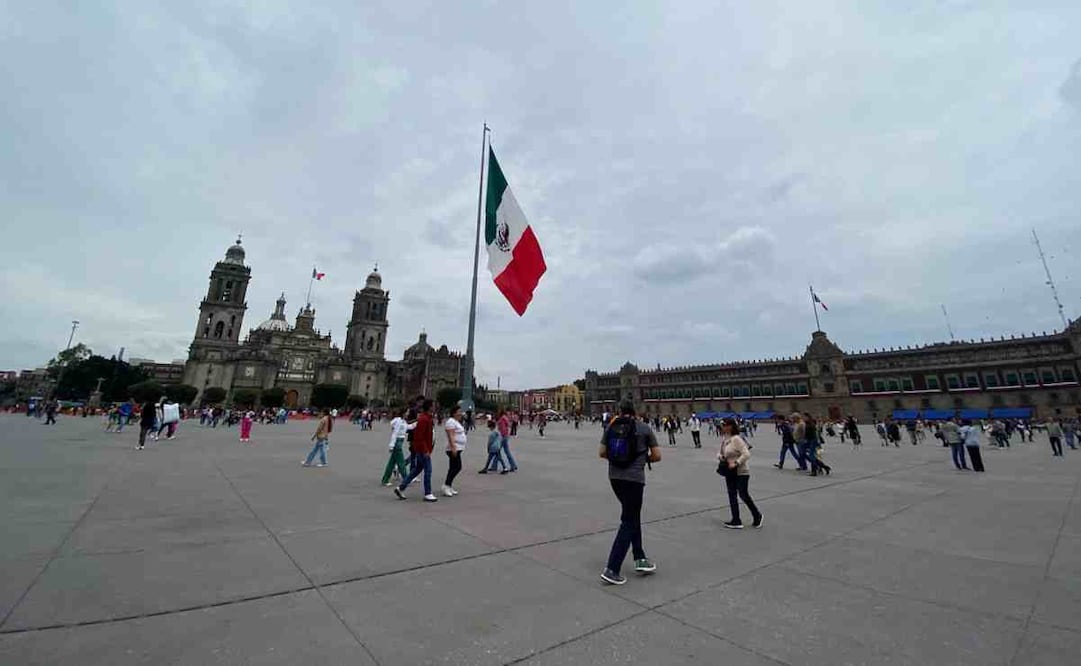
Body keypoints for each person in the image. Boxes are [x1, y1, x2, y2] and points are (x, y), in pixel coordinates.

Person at [598, 401, 660, 586]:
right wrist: (641, 459)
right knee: (628, 520)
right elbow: (657, 455)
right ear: (635, 412)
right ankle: (612, 568)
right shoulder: (643, 428)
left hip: (615, 478)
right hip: (634, 479)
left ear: (620, 411)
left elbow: (601, 452)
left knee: (633, 516)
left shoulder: (611, 427)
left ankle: (639, 557)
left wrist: (619, 459)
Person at [718, 417, 763, 529]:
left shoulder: (737, 439)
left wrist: (737, 463)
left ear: (730, 426)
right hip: (729, 471)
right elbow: (720, 453)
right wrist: (721, 457)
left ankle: (757, 515)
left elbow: (746, 454)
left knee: (743, 494)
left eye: (724, 424)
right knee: (732, 495)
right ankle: (736, 520)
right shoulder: (725, 439)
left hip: (741, 471)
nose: (722, 427)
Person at [395, 399, 437, 502]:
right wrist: (425, 450)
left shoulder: (427, 418)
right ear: (430, 407)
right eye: (434, 405)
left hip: (424, 449)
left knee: (416, 470)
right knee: (428, 470)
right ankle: (428, 493)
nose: (435, 407)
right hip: (423, 450)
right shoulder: (423, 419)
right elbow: (419, 437)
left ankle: (401, 488)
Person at [382, 408, 413, 486]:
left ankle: (385, 479)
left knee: (391, 463)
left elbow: (408, 427)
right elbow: (395, 433)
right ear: (403, 413)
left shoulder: (402, 421)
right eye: (407, 412)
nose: (408, 414)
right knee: (401, 462)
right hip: (397, 443)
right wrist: (391, 445)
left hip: (399, 442)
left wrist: (417, 423)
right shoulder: (399, 421)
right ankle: (406, 479)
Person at [443, 405, 467, 497]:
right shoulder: (450, 422)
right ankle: (446, 485)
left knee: (453, 467)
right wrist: (453, 447)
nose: (461, 413)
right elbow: (451, 435)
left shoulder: (456, 422)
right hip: (453, 448)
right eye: (459, 411)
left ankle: (448, 485)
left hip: (458, 448)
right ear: (454, 413)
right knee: (456, 467)